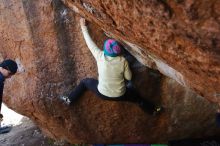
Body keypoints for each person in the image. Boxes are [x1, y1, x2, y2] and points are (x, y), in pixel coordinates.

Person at [60, 18, 162, 115]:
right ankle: (153, 110)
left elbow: (90, 44)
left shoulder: (100, 56)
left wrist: (83, 27)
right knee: (138, 98)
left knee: (85, 82)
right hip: (120, 95)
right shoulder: (123, 61)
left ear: (105, 50)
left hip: (102, 93)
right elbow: (129, 78)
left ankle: (69, 99)